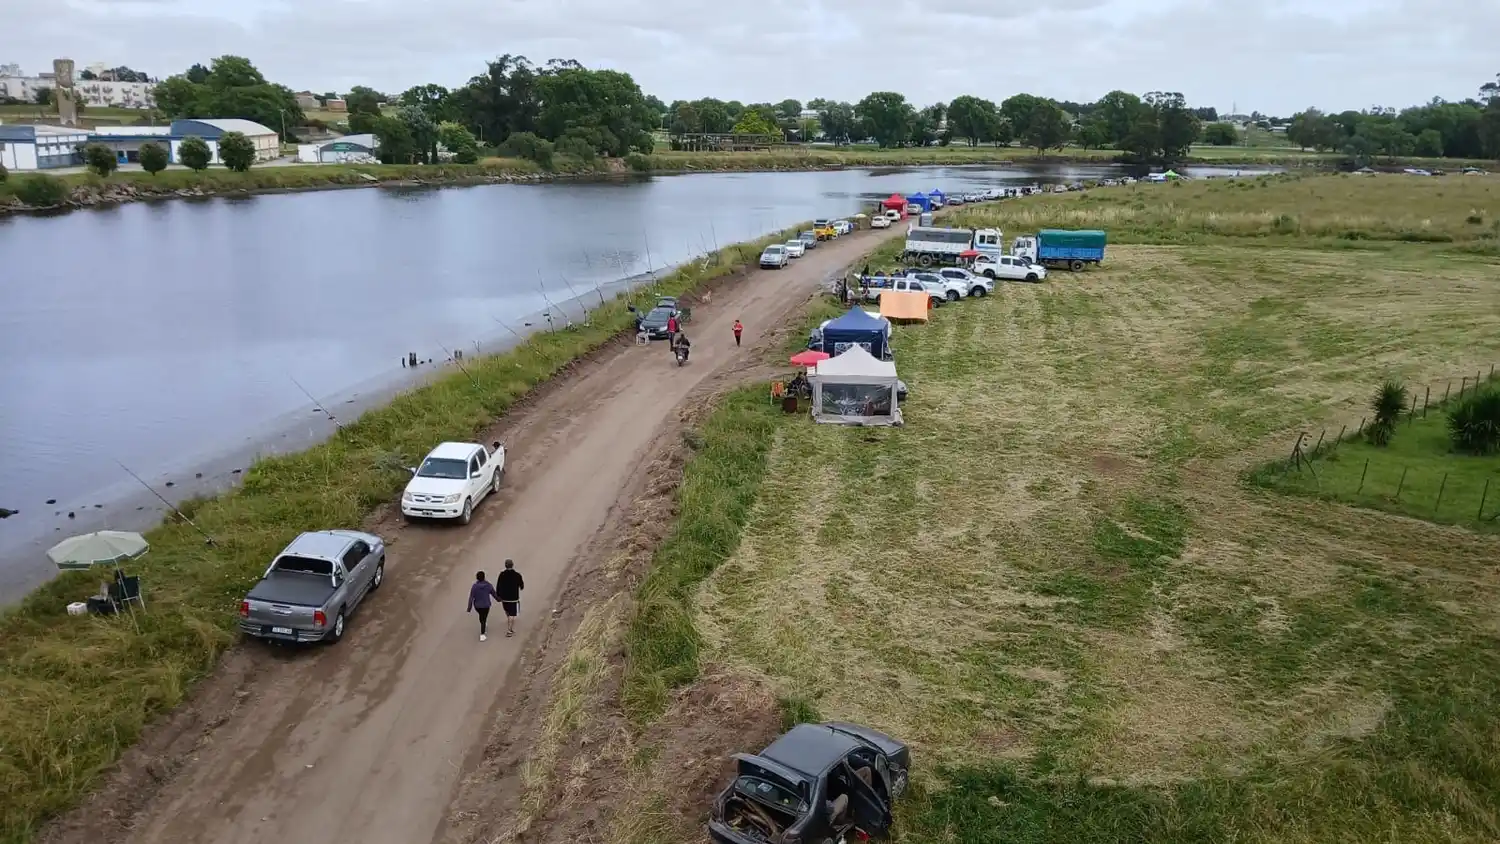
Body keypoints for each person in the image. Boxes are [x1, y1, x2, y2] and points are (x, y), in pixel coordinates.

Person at [466, 570, 501, 642]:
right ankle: (482, 634)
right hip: (486, 605)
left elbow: (471, 597)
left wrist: (469, 608)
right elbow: (494, 593)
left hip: (477, 606)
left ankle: (483, 625)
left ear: (477, 578)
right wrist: (498, 599)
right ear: (484, 577)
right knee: (484, 618)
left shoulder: (474, 586)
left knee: (481, 617)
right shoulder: (488, 585)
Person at [496, 559, 525, 637]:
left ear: (505, 565)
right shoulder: (517, 575)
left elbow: (498, 586)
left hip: (504, 597)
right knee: (512, 613)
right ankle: (509, 630)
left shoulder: (501, 574)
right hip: (513, 597)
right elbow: (522, 586)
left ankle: (509, 619)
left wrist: (498, 595)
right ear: (512, 565)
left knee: (507, 610)